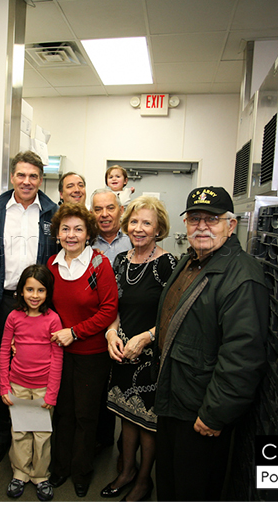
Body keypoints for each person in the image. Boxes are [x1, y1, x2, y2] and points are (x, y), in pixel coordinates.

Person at [153, 186, 268, 501]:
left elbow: (243, 356)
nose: (201, 227)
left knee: (193, 491)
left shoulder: (241, 276)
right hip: (176, 397)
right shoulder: (192, 260)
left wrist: (215, 413)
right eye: (194, 219)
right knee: (170, 484)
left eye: (212, 219)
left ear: (231, 225)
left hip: (200, 410)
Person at [0, 151, 59, 465]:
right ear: (12, 177)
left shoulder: (52, 213)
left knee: (36, 373)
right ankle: (0, 435)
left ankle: (34, 441)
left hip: (38, 303)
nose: (27, 182)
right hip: (2, 301)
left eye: (33, 176)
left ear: (41, 179)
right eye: (21, 175)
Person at [101, 196, 177, 502]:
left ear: (159, 229)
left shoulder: (168, 264)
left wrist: (145, 337)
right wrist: (110, 333)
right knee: (126, 416)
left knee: (148, 423)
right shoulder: (120, 260)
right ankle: (127, 472)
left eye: (147, 223)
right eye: (134, 221)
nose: (139, 228)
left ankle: (144, 481)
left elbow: (174, 314)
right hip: (121, 354)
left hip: (151, 359)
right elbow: (113, 306)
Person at [46, 203, 118, 497]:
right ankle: (60, 466)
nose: (71, 235)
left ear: (88, 234)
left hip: (92, 354)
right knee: (62, 412)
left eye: (78, 229)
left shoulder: (100, 264)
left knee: (86, 416)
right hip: (59, 353)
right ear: (57, 233)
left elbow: (109, 309)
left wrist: (75, 332)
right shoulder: (51, 265)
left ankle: (81, 470)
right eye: (65, 229)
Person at [0, 264, 64, 502]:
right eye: (29, 289)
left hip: (43, 388)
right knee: (19, 431)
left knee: (42, 434)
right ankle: (20, 472)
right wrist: (4, 386)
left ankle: (40, 476)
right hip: (17, 385)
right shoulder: (13, 317)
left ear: (48, 293)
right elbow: (4, 351)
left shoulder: (53, 319)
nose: (34, 296)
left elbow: (57, 358)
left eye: (40, 290)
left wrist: (52, 394)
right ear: (20, 291)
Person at [89, 187, 132, 459]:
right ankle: (100, 439)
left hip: (127, 323)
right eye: (97, 209)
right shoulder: (84, 241)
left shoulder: (133, 240)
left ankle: (124, 452)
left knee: (124, 386)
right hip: (94, 323)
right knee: (97, 386)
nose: (104, 214)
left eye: (110, 208)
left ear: (121, 210)